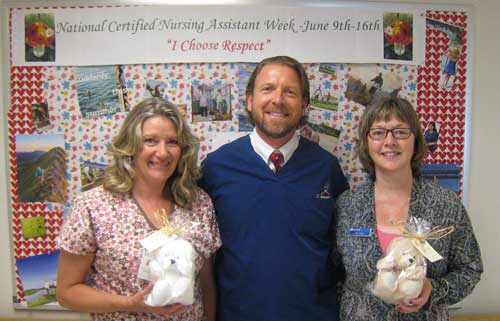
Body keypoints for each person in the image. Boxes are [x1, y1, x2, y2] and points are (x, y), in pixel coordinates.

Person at [199, 56, 349, 321]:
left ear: (304, 105)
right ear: (249, 100)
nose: (278, 99)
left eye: (290, 92)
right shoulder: (215, 168)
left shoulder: (327, 169)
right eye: (267, 89)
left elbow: (345, 252)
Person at [57, 98, 221, 321]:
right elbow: (67, 293)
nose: (162, 153)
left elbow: (206, 284)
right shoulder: (93, 207)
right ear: (130, 146)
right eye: (150, 141)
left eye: (172, 142)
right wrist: (130, 304)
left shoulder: (198, 204)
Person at [335, 97, 483, 320]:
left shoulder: (445, 205)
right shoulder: (347, 206)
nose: (390, 141)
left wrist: (434, 289)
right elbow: (330, 274)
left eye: (401, 132)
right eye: (378, 132)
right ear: (366, 142)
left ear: (416, 140)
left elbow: (470, 269)